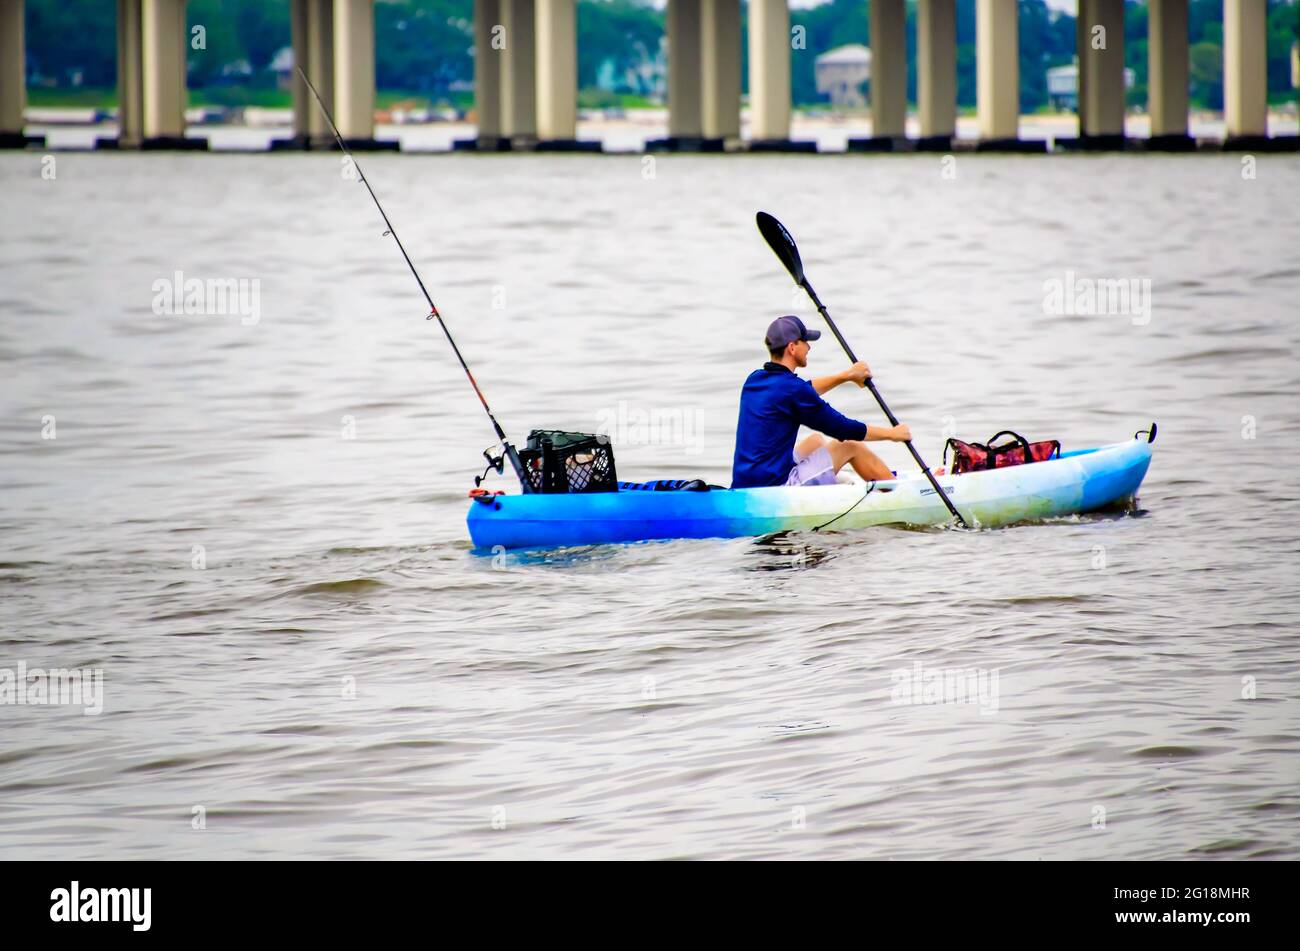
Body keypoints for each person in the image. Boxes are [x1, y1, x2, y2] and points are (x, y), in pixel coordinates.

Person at [731, 315, 914, 489]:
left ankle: (834, 480)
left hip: (746, 482)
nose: (809, 347)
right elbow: (844, 428)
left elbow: (802, 392)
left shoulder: (754, 379)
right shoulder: (793, 390)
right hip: (775, 489)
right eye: (805, 342)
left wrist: (846, 376)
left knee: (816, 441)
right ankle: (897, 493)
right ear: (792, 347)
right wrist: (893, 434)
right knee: (849, 445)